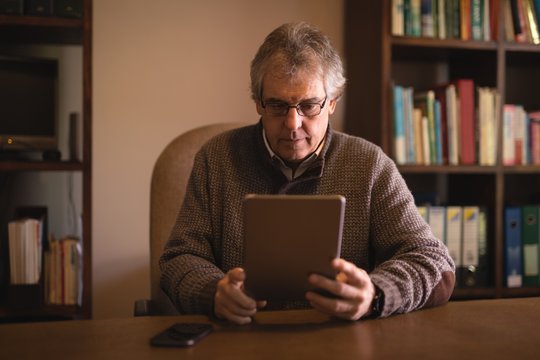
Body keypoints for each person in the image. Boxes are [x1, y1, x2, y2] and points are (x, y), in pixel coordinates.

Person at [160, 22, 455, 325]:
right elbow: (178, 259)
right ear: (258, 104)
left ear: (332, 103)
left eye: (309, 105)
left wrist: (376, 294)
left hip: (341, 342)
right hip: (240, 340)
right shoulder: (216, 159)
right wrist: (213, 292)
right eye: (277, 105)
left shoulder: (369, 164)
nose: (292, 123)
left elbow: (435, 264)